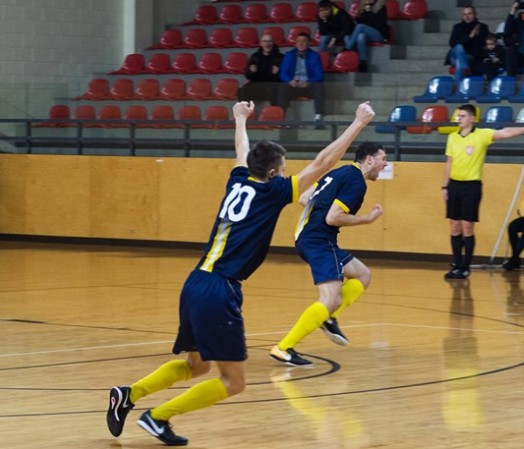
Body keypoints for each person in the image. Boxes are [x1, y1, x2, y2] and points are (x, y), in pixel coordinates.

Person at [105, 100, 376, 445]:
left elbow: (241, 151)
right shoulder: (272, 191)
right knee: (234, 381)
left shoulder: (237, 179)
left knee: (197, 366)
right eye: (285, 168)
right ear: (275, 173)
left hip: (196, 281)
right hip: (220, 290)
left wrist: (239, 120)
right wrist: (357, 123)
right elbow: (324, 162)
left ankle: (127, 394)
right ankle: (158, 417)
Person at [270, 142, 388, 366]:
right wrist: (366, 219)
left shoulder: (339, 173)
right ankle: (284, 348)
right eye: (383, 158)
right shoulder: (356, 183)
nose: (386, 163)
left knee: (363, 275)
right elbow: (332, 218)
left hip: (309, 237)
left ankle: (328, 316)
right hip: (318, 240)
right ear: (369, 159)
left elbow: (306, 196)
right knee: (330, 298)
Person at [443, 104, 524, 280]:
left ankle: (465, 267)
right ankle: (456, 264)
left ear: (472, 118)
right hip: (454, 185)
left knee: (467, 226)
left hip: (472, 186)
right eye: (457, 116)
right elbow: (449, 163)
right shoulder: (452, 137)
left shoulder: (481, 135)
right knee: (454, 226)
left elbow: (504, 132)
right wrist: (445, 186)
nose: (458, 119)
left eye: (462, 116)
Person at [276, 33, 325, 124]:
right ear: (295, 43)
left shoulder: (314, 56)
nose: (301, 44)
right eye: (298, 41)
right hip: (293, 85)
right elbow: (283, 74)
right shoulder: (289, 55)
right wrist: (289, 81)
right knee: (283, 86)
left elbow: (319, 75)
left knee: (319, 86)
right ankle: (281, 117)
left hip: (307, 85)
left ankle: (318, 116)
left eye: (303, 41)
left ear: (308, 43)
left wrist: (308, 82)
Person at [445, 6, 490, 83]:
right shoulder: (457, 27)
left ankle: (458, 88)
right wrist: (470, 37)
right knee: (459, 47)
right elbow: (452, 43)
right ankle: (466, 68)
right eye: (464, 14)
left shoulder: (482, 27)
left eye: (469, 14)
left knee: (460, 63)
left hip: (470, 56)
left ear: (475, 14)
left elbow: (484, 44)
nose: (467, 17)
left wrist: (478, 35)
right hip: (455, 55)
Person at [238, 34, 284, 108]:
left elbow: (285, 76)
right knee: (243, 89)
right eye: (265, 41)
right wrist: (250, 71)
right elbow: (247, 75)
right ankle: (242, 114)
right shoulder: (255, 56)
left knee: (276, 90)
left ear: (273, 43)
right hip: (258, 86)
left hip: (272, 85)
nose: (267, 43)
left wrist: (278, 72)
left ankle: (275, 115)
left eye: (270, 41)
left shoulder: (280, 57)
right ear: (261, 43)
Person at [344, 0, 391, 72]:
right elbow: (360, 22)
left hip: (380, 34)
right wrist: (361, 13)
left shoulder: (381, 7)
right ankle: (363, 63)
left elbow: (378, 24)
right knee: (361, 36)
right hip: (368, 33)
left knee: (360, 27)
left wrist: (369, 12)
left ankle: (347, 49)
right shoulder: (363, 8)